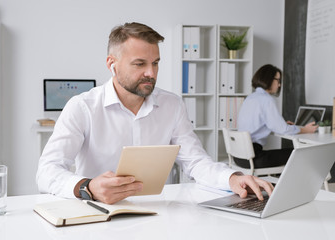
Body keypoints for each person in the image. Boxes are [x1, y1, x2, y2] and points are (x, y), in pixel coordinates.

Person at [36, 22, 273, 204]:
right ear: (112, 64)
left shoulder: (172, 105)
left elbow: (196, 162)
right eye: (140, 64)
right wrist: (88, 187)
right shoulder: (83, 106)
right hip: (97, 214)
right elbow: (46, 172)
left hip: (158, 213)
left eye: (156, 63)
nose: (151, 72)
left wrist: (232, 178)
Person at [237, 64, 318, 169]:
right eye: (278, 80)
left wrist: (281, 124)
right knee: (298, 153)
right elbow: (283, 130)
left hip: (239, 157)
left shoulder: (250, 98)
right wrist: (305, 129)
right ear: (268, 79)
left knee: (292, 153)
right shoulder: (267, 100)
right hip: (253, 158)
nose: (279, 85)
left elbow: (260, 124)